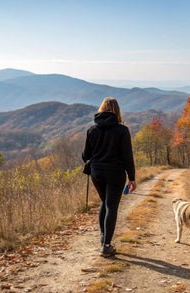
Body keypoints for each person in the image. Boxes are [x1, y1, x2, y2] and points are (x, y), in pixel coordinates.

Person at [82, 97, 136, 257]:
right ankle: (106, 246)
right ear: (117, 111)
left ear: (102, 109)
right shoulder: (122, 130)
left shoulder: (92, 130)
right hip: (115, 172)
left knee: (104, 203)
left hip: (96, 172)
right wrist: (132, 178)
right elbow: (128, 157)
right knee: (111, 206)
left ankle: (103, 239)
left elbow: (86, 155)